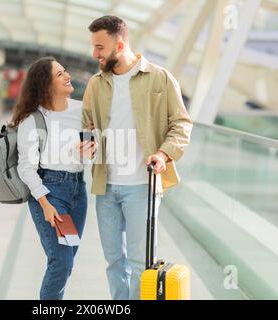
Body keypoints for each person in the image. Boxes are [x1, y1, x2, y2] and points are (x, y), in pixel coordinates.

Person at [82, 15, 193, 300]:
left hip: (143, 186)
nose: (95, 54)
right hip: (105, 185)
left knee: (139, 262)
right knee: (113, 261)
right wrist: (87, 142)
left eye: (100, 48)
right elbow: (87, 125)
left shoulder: (160, 78)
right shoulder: (95, 84)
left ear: (120, 44)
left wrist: (163, 153)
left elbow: (181, 123)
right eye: (94, 47)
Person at [10, 57, 96, 300]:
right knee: (61, 262)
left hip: (78, 190)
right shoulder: (33, 119)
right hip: (49, 191)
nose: (67, 76)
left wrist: (91, 149)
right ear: (46, 85)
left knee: (67, 263)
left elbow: (91, 149)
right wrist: (46, 204)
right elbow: (27, 168)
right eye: (60, 74)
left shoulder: (83, 110)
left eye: (65, 71)